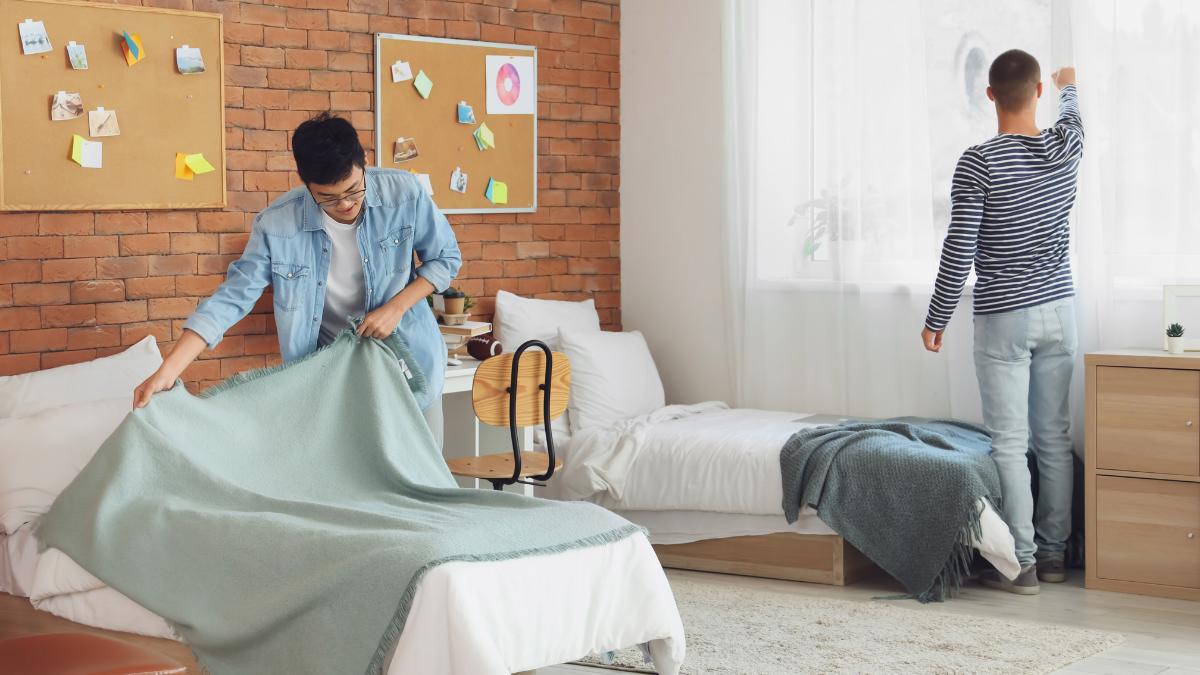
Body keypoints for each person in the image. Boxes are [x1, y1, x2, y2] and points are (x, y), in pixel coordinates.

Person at [133, 113, 462, 446]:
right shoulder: (277, 225)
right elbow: (231, 299)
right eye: (329, 198)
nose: (346, 204)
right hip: (333, 380)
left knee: (427, 480)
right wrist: (169, 371)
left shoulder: (403, 194)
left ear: (364, 164)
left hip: (411, 366)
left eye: (353, 190)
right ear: (306, 185)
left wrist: (397, 307)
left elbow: (445, 258)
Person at [921, 51, 1083, 595]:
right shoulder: (1065, 148)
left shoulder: (978, 162)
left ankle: (1025, 564)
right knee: (1055, 440)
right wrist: (1069, 86)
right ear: (1036, 91)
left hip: (1004, 315)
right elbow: (1075, 120)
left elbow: (959, 248)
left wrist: (937, 317)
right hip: (1060, 310)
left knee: (1010, 445)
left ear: (990, 95)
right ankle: (1057, 555)